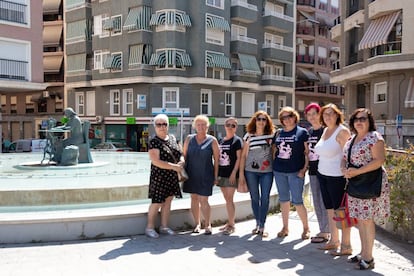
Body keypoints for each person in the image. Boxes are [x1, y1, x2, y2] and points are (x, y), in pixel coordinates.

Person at [342, 108, 390, 270]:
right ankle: (363, 252)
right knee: (360, 220)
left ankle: (369, 258)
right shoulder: (352, 138)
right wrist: (344, 170)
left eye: (363, 119)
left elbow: (379, 160)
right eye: (356, 119)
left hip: (370, 182)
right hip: (356, 183)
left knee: (367, 220)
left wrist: (357, 171)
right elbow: (344, 158)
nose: (359, 122)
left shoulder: (374, 137)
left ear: (369, 121)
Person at [314, 103, 352, 255]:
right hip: (323, 174)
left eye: (331, 114)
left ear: (337, 115)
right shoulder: (325, 130)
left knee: (340, 211)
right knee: (330, 209)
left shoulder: (342, 131)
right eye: (325, 114)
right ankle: (334, 241)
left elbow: (347, 155)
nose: (328, 117)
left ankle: (346, 245)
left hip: (337, 177)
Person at [273, 106, 310, 239]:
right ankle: (285, 227)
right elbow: (274, 151)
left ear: (295, 117)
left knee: (298, 201)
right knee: (283, 200)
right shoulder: (278, 133)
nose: (287, 119)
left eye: (289, 116)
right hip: (279, 171)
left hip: (296, 172)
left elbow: (307, 153)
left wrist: (304, 169)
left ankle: (306, 228)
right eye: (284, 117)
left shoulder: (302, 132)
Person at [145, 114, 184, 238]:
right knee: (156, 202)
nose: (162, 127)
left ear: (168, 125)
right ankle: (149, 227)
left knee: (168, 202)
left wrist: (182, 161)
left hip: (171, 176)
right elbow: (155, 161)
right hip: (159, 176)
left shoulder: (172, 138)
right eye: (159, 124)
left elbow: (180, 153)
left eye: (164, 124)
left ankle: (164, 226)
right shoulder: (154, 142)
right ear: (155, 127)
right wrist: (174, 166)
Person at [239, 110, 275, 237]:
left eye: (263, 119)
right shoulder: (248, 136)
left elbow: (275, 152)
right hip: (251, 172)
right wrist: (241, 175)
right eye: (258, 119)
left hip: (267, 172)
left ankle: (262, 225)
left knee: (265, 199)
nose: (261, 121)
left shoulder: (272, 135)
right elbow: (243, 156)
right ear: (255, 120)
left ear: (267, 122)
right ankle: (258, 223)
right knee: (255, 198)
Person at [182, 115, 220, 235]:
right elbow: (184, 155)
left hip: (206, 175)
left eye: (203, 124)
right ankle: (197, 224)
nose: (201, 127)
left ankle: (208, 224)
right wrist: (181, 163)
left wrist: (216, 176)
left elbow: (217, 160)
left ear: (207, 126)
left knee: (204, 200)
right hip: (191, 174)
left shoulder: (212, 140)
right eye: (198, 124)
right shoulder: (189, 139)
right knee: (193, 198)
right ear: (194, 126)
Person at [304, 103, 330, 243]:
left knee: (324, 201)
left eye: (314, 113)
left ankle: (327, 231)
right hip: (313, 171)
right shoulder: (309, 132)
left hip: (325, 171)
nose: (312, 117)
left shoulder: (325, 131)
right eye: (309, 114)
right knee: (316, 201)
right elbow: (307, 153)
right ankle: (323, 230)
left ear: (320, 114)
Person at [217, 117, 243, 235]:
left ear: (236, 127)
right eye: (228, 125)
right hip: (222, 173)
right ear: (225, 126)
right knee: (226, 199)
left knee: (229, 199)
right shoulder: (221, 141)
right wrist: (216, 175)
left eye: (233, 125)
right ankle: (229, 222)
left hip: (231, 174)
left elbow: (239, 158)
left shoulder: (237, 141)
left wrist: (234, 173)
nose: (230, 127)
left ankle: (232, 225)